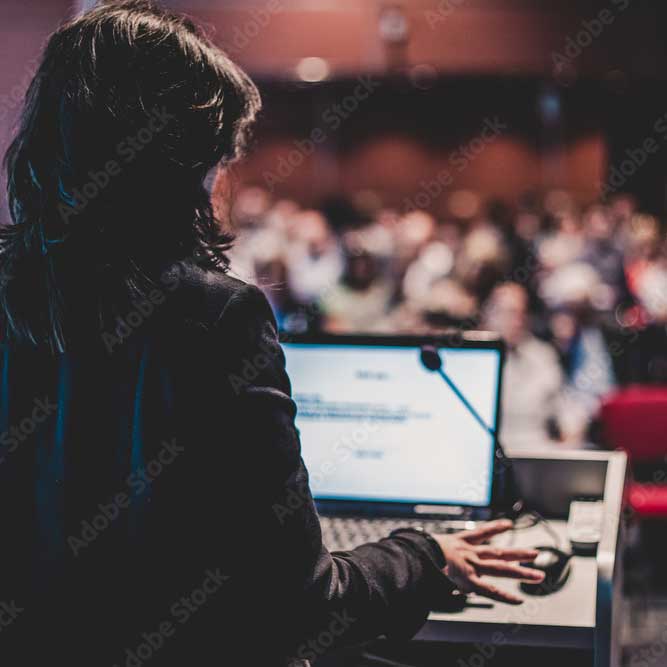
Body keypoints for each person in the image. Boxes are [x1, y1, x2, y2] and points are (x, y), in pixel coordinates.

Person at [0, 2, 543, 665]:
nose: (218, 181)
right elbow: (300, 604)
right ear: (180, 163)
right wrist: (424, 554)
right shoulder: (215, 319)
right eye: (216, 158)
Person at [482, 283, 564, 452]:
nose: (518, 322)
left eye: (522, 313)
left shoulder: (543, 356)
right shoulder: (475, 360)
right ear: (489, 315)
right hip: (490, 451)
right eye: (510, 313)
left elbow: (563, 411)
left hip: (539, 452)